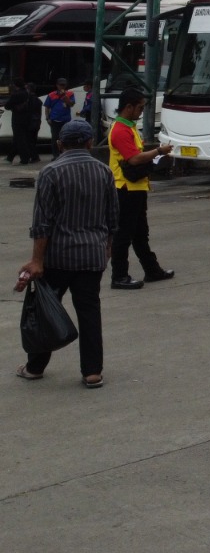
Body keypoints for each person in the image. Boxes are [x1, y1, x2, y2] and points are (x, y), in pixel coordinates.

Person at [14, 119, 119, 387]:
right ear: (90, 143)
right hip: (91, 257)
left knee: (45, 311)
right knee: (89, 312)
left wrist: (37, 260)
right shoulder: (104, 172)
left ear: (60, 144)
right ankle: (92, 372)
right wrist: (105, 249)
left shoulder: (51, 172)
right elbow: (113, 218)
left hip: (58, 257)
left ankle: (35, 367)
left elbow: (42, 223)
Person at [108, 89, 175, 290]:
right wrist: (158, 151)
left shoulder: (127, 127)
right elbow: (134, 158)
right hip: (126, 188)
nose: (141, 111)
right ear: (128, 107)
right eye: (140, 107)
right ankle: (119, 276)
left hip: (135, 187)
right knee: (124, 235)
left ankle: (152, 270)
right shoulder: (120, 130)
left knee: (139, 233)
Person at [6, 81, 43, 164]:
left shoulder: (30, 99)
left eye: (26, 88)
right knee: (24, 140)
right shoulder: (35, 99)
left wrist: (16, 108)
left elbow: (28, 110)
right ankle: (10, 157)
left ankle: (32, 157)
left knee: (26, 140)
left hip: (30, 122)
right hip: (34, 122)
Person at [45, 79, 77, 152]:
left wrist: (64, 97)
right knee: (55, 138)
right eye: (60, 85)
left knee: (65, 137)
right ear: (57, 85)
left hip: (66, 120)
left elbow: (71, 104)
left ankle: (64, 153)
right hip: (54, 119)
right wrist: (47, 118)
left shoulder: (70, 94)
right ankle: (55, 155)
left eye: (64, 85)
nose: (62, 87)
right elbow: (47, 107)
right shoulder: (51, 95)